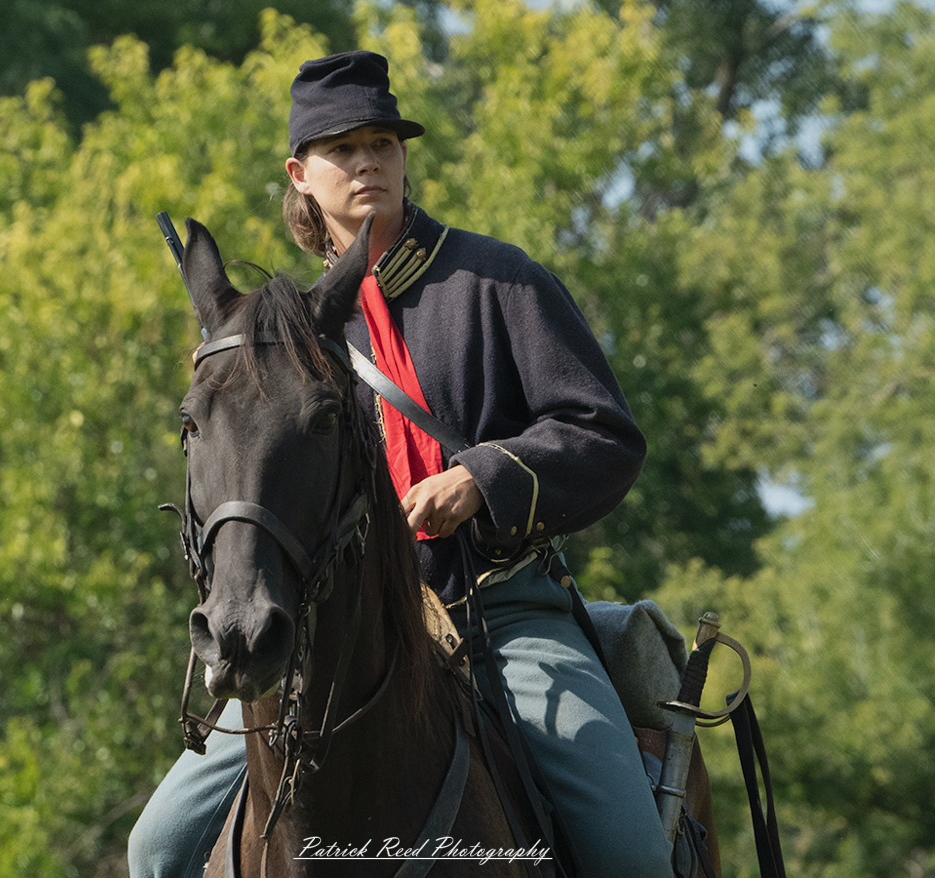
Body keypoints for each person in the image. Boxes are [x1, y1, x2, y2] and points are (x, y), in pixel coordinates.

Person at [128, 50, 665, 878]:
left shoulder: (499, 281)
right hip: (327, 646)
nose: (368, 160)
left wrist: (483, 478)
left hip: (501, 618)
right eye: (343, 148)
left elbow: (604, 434)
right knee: (156, 847)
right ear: (301, 174)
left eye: (384, 141)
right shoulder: (284, 342)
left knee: (630, 856)